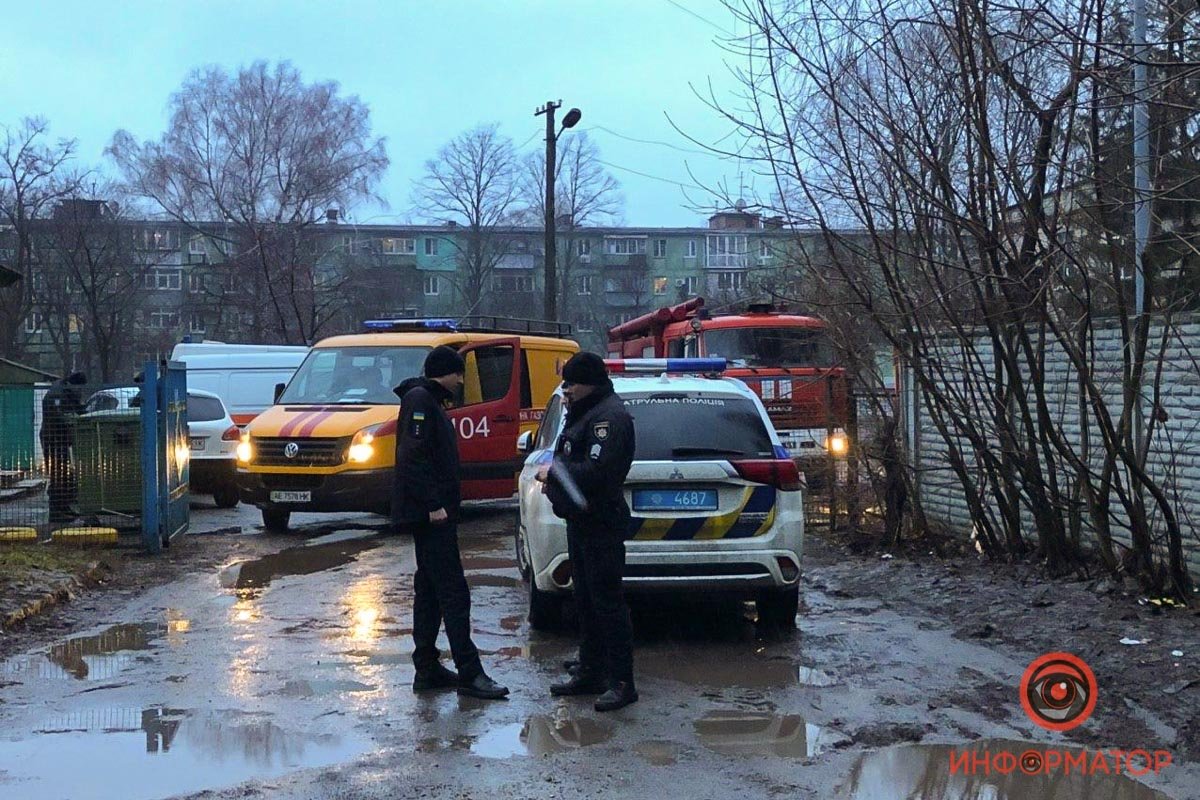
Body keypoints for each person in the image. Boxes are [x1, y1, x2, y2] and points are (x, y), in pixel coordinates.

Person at [392, 345, 509, 701]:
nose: (460, 381)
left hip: (434, 513)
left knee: (429, 592)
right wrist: (433, 504)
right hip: (432, 516)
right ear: (445, 372)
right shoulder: (421, 401)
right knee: (454, 593)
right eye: (458, 374)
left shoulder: (429, 401)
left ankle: (427, 668)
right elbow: (412, 457)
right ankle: (470, 673)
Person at [539, 352, 638, 712]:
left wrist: (553, 474)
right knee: (585, 600)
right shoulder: (585, 411)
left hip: (601, 523)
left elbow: (598, 472)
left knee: (607, 602)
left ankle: (622, 682)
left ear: (589, 384)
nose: (566, 390)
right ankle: (591, 670)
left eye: (571, 384)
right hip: (581, 521)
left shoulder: (608, 418)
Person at [40, 372, 87, 522]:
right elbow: (60, 416)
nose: (80, 391)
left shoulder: (67, 392)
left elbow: (77, 409)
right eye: (79, 388)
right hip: (52, 439)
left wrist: (85, 413)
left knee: (65, 474)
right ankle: (56, 512)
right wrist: (77, 419)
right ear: (72, 384)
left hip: (60, 439)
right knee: (58, 475)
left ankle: (64, 507)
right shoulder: (57, 394)